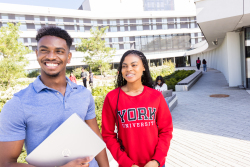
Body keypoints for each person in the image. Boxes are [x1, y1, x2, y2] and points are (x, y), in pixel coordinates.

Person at [0, 26, 109, 167]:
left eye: (59, 51)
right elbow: (5, 163)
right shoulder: (18, 104)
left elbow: (96, 140)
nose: (51, 56)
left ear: (68, 57)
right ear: (37, 54)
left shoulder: (84, 94)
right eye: (44, 50)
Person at [102, 50, 173, 167]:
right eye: (124, 66)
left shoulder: (156, 96)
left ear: (143, 67)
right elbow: (108, 135)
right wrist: (126, 163)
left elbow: (166, 130)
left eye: (134, 65)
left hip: (155, 164)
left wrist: (157, 160)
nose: (129, 69)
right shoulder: (112, 97)